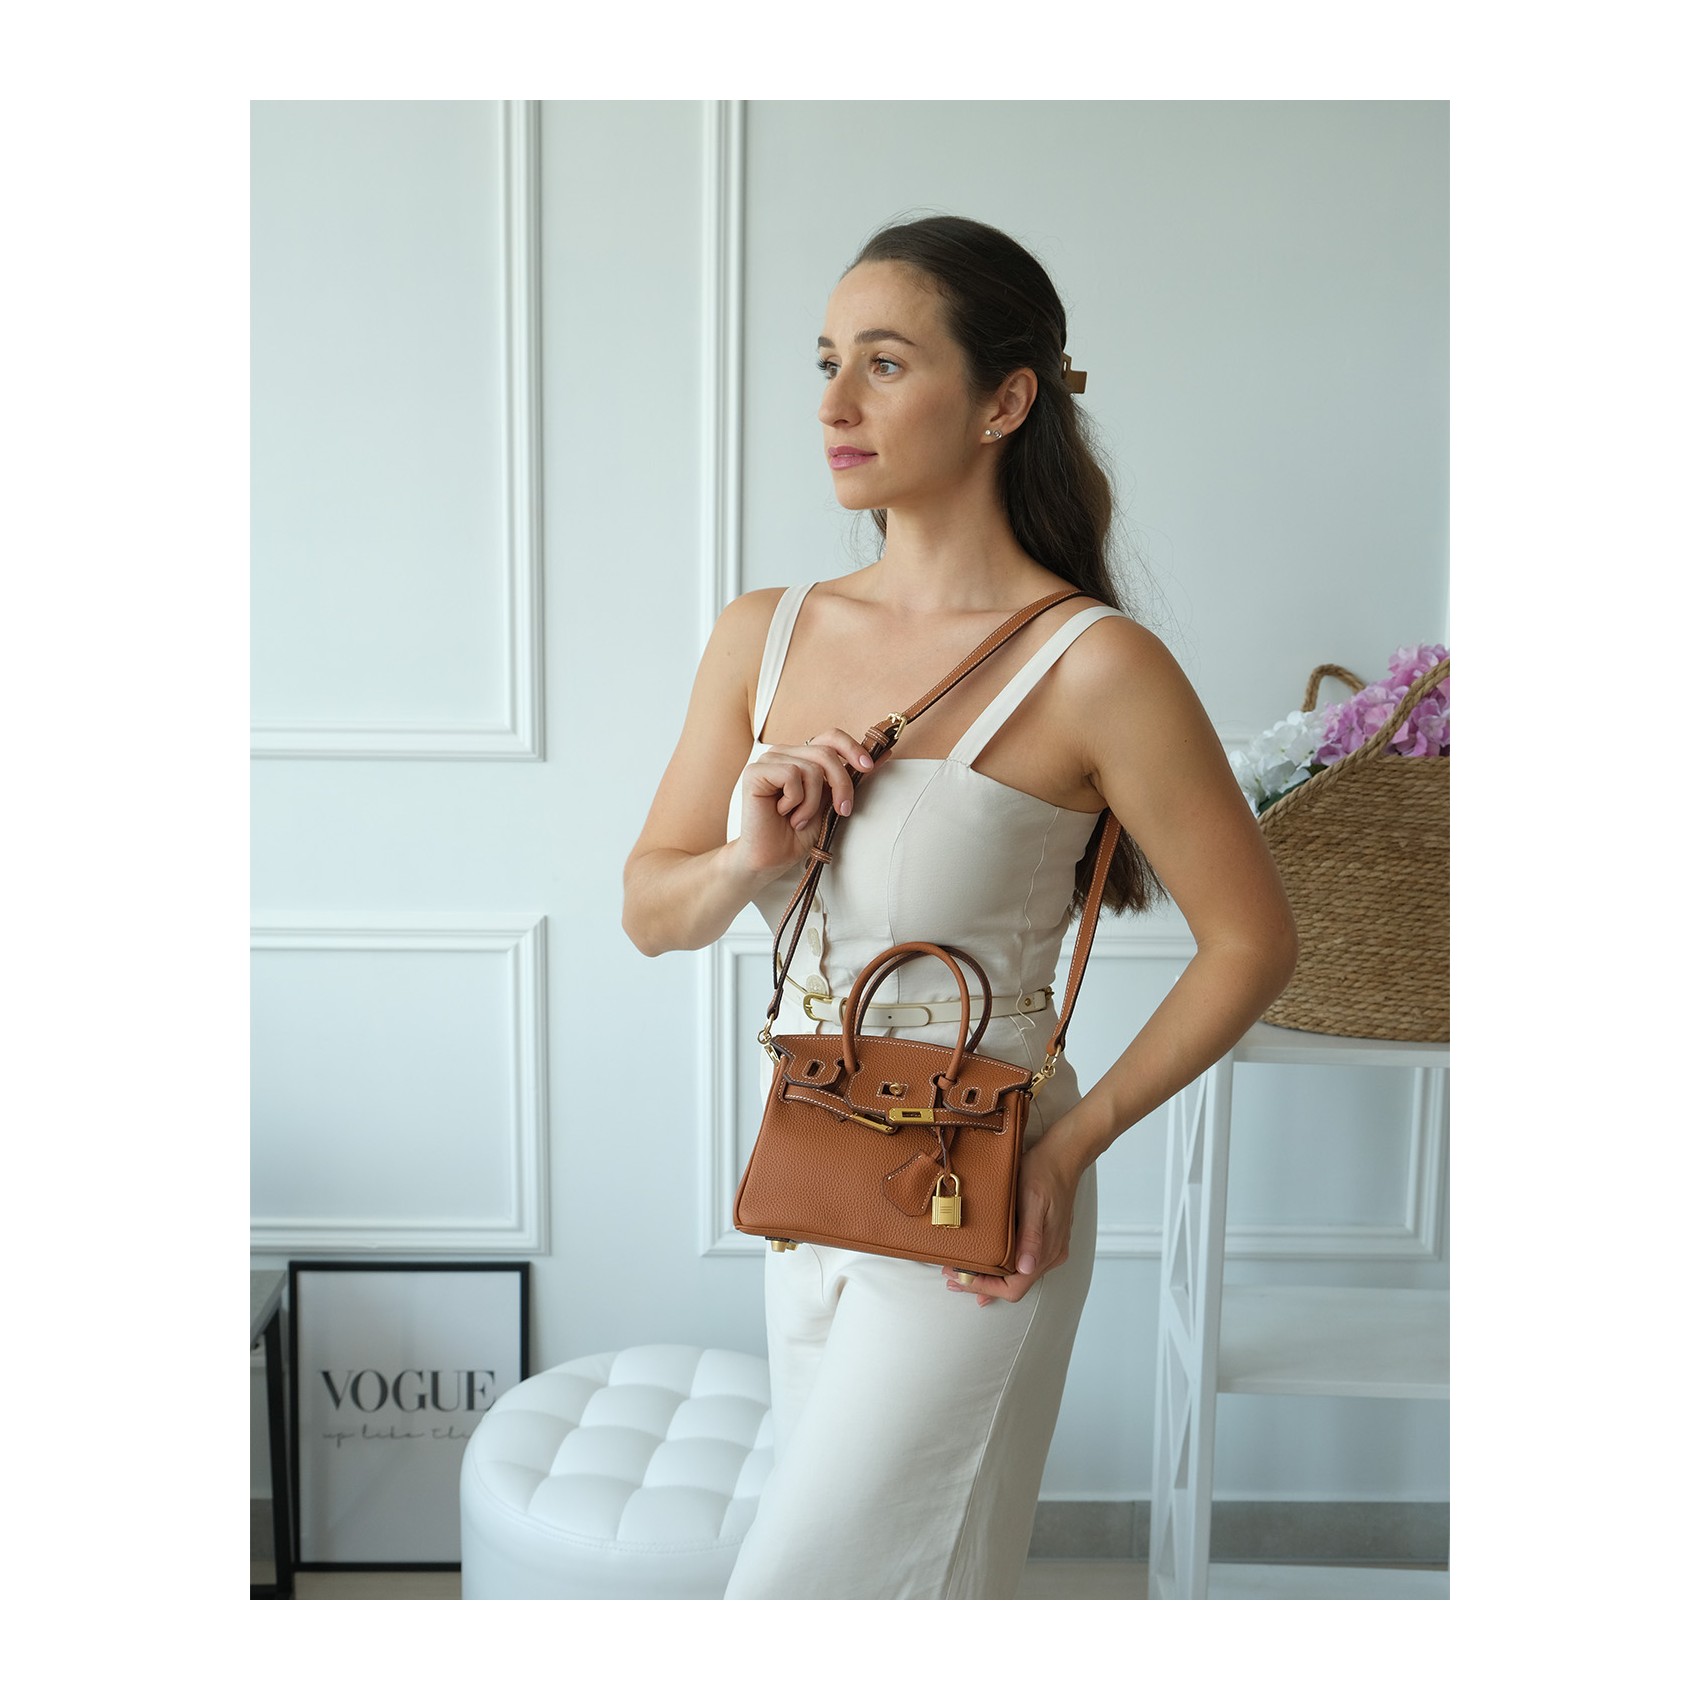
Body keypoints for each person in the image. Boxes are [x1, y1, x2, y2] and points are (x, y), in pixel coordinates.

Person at [622, 214, 1297, 1599]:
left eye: (884, 363)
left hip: (977, 1195)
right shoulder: (764, 633)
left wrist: (1068, 1153)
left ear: (1004, 401)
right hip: (810, 1171)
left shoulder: (1098, 666)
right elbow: (651, 913)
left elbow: (1253, 944)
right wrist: (751, 856)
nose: (834, 404)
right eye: (825, 362)